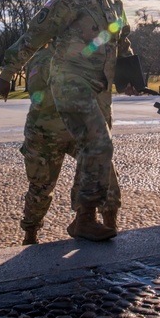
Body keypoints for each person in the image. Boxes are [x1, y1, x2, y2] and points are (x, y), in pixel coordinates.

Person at [0, 0, 135, 242]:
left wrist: (129, 76)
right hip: (69, 81)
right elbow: (34, 36)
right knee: (97, 144)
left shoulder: (114, 3)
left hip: (99, 91)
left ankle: (99, 219)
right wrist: (8, 72)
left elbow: (122, 42)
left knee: (98, 151)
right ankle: (82, 219)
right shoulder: (65, 2)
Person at [17, 42, 121, 245]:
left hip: (77, 131)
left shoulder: (83, 56)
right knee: (41, 189)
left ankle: (104, 224)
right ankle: (30, 235)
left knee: (104, 170)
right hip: (45, 134)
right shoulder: (42, 58)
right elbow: (37, 92)